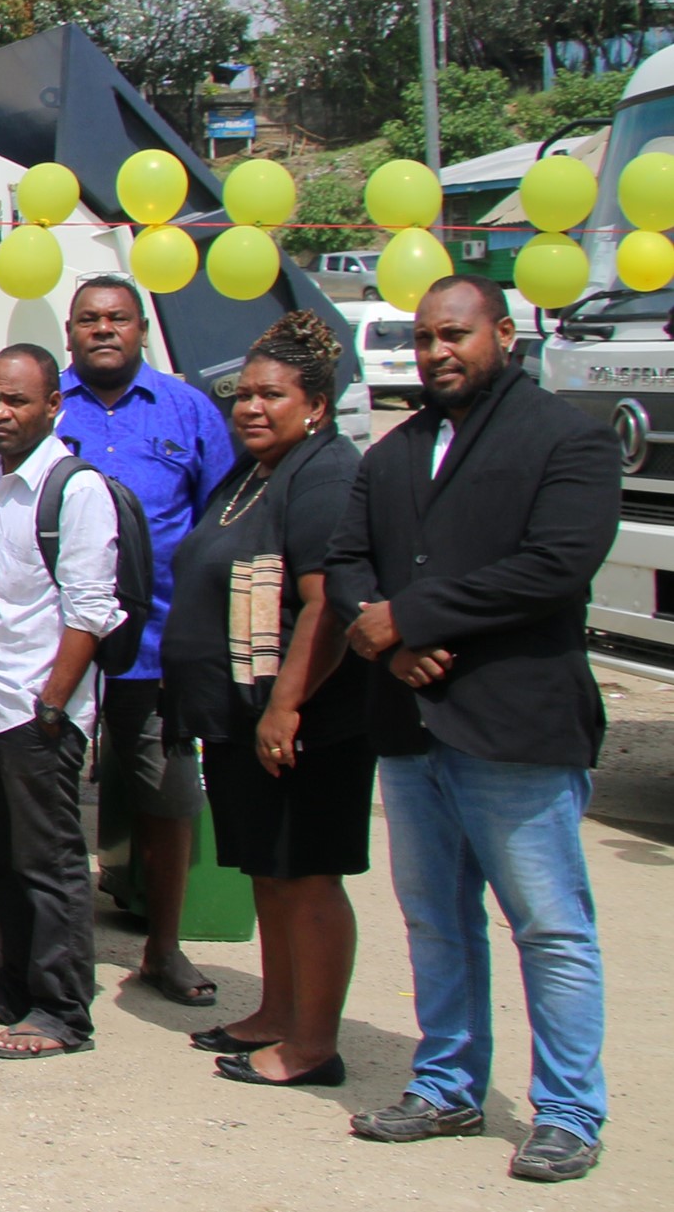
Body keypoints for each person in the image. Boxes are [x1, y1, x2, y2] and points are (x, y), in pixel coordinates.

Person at [326, 275, 613, 1183]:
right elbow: (347, 563)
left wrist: (411, 617)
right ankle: (446, 1082)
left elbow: (557, 564)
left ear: (504, 333)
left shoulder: (568, 437)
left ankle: (569, 1110)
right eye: (423, 339)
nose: (437, 352)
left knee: (550, 926)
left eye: (455, 334)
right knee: (436, 921)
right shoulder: (395, 450)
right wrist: (387, 640)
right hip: (412, 726)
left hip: (515, 726)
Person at [160, 311, 368, 1089]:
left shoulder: (324, 474)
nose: (249, 407)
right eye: (242, 394)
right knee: (269, 870)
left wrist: (285, 706)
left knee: (307, 872)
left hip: (303, 722)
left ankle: (313, 1043)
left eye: (270, 395)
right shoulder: (258, 471)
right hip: (242, 718)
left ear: (315, 403)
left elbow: (325, 603)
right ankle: (277, 1012)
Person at [17, 276, 233, 1006]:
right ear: (69, 331)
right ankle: (9, 934)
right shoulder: (44, 406)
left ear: (141, 327)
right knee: (33, 796)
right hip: (54, 648)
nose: (103, 330)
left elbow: (219, 529)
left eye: (117, 318)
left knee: (166, 798)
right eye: (88, 319)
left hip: (155, 646)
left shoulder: (188, 411)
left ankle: (163, 946)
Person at [0, 345, 119, 1060]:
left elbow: (91, 611)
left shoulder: (75, 489)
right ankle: (13, 988)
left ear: (52, 407)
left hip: (38, 711)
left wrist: (52, 705)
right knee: (4, 856)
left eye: (17, 401)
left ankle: (63, 1011)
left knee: (53, 862)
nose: (1, 413)